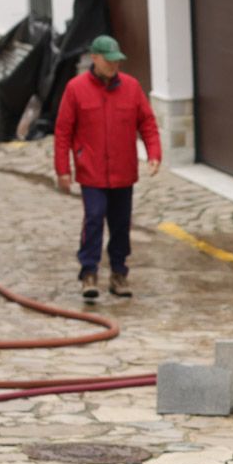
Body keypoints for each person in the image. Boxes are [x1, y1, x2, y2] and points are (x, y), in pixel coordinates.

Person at [53, 35, 162, 303]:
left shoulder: (132, 88)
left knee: (121, 223)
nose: (114, 66)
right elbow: (63, 131)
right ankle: (89, 272)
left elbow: (147, 123)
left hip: (123, 171)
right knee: (94, 216)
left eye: (117, 61)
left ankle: (118, 272)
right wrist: (63, 170)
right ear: (95, 59)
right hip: (91, 171)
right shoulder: (75, 89)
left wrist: (154, 154)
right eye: (109, 61)